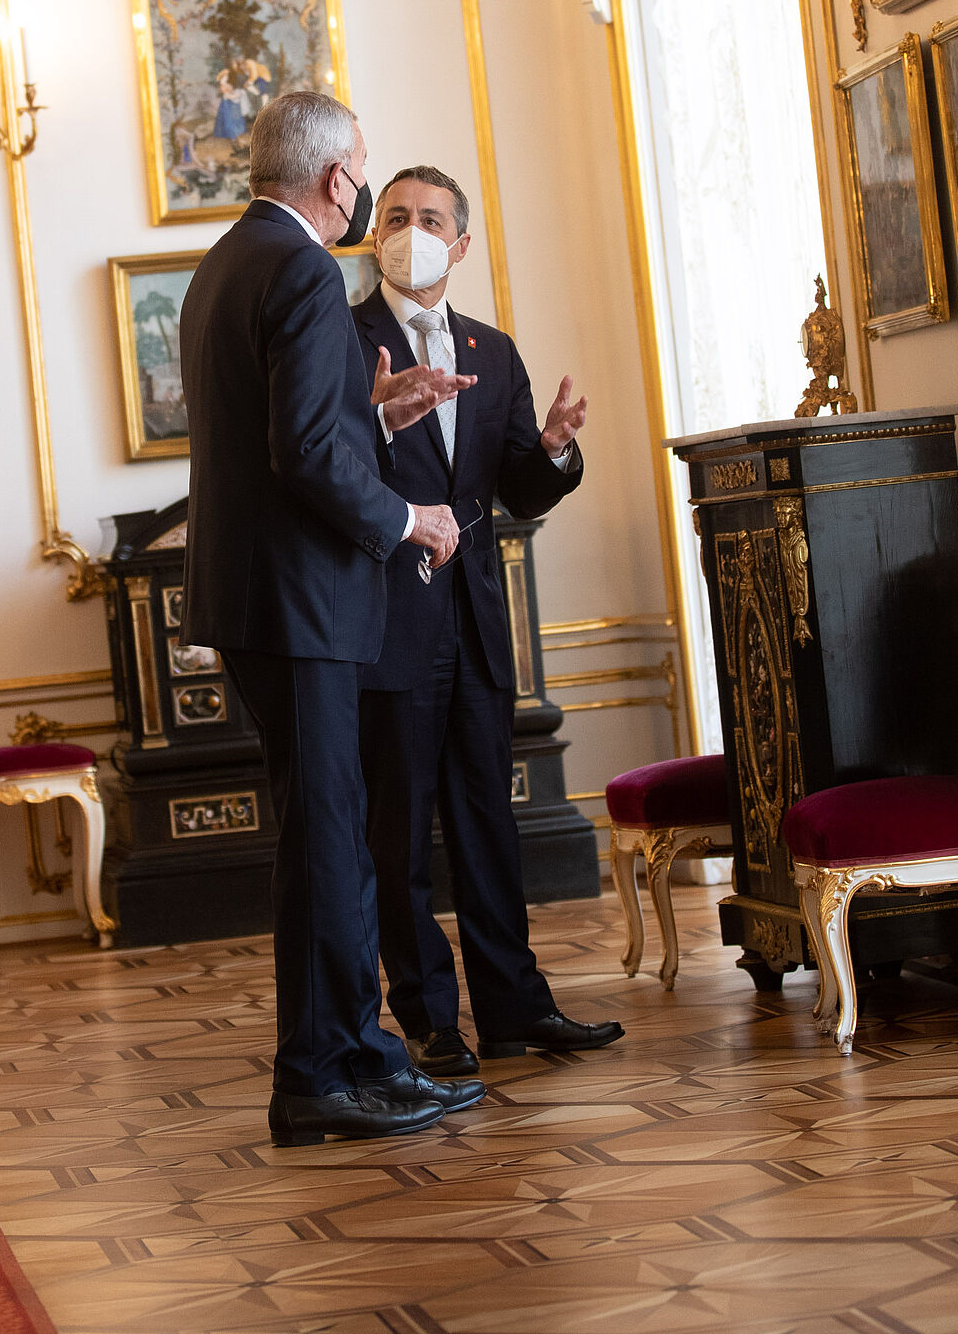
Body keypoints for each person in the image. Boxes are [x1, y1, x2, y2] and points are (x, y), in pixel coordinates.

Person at [179, 95, 485, 1147]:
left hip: (263, 600)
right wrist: (409, 516)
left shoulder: (229, 261)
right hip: (300, 603)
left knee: (326, 837)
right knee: (328, 843)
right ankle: (329, 1073)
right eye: (361, 169)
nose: (361, 185)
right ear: (335, 180)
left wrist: (376, 415)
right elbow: (303, 456)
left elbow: (294, 432)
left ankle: (348, 1061)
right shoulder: (305, 269)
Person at [353, 165, 624, 1075]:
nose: (411, 231)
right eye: (396, 216)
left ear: (461, 243)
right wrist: (381, 422)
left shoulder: (493, 351)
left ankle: (515, 1009)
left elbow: (518, 489)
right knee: (399, 833)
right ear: (373, 234)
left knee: (488, 824)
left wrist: (552, 448)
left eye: (431, 219)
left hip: (474, 619)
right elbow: (327, 465)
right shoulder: (342, 339)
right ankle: (430, 1018)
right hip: (388, 623)